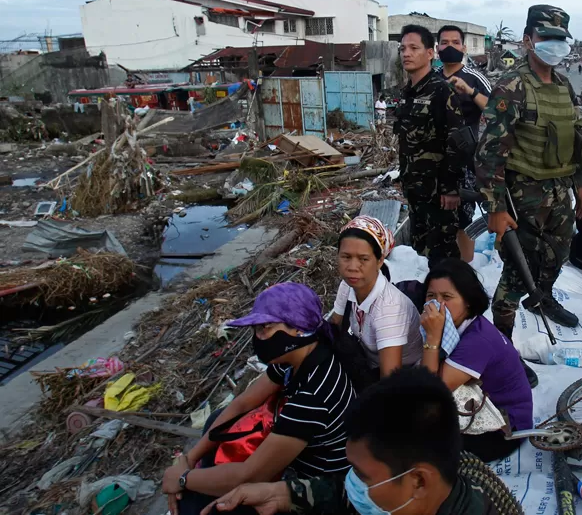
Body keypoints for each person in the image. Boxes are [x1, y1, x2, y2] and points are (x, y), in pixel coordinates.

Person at [203, 367, 521, 515]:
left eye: (362, 475)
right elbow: (346, 493)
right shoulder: (448, 469)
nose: (353, 482)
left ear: (419, 482)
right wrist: (282, 493)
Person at [163, 283, 355, 515]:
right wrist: (189, 459)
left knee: (203, 504)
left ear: (298, 329)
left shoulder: (313, 396)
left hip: (320, 491)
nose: (259, 337)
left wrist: (182, 479)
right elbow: (244, 402)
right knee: (218, 421)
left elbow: (250, 475)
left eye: (267, 328)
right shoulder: (295, 358)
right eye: (256, 329)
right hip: (296, 458)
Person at [477, 4, 582, 339]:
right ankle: (503, 344)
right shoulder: (511, 86)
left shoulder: (563, 84)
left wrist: (580, 186)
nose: (554, 44)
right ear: (528, 39)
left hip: (559, 192)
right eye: (546, 36)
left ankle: (541, 299)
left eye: (560, 38)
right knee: (517, 272)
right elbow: (488, 154)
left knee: (559, 253)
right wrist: (496, 210)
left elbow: (573, 140)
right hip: (523, 196)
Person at [419, 259, 534, 460]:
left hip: (503, 428)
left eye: (447, 297)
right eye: (431, 296)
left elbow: (431, 393)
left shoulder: (478, 340)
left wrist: (432, 337)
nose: (437, 305)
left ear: (468, 301)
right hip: (481, 403)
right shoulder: (461, 326)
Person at [395, 24, 465, 266]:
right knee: (421, 251)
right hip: (416, 190)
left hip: (439, 192)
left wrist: (451, 187)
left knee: (444, 255)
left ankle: (453, 300)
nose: (406, 53)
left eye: (414, 48)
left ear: (430, 53)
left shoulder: (441, 91)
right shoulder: (408, 93)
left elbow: (455, 141)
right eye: (403, 48)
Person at [330, 216, 423, 379]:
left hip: (403, 373)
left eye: (363, 259)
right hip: (368, 361)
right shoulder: (349, 284)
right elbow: (334, 326)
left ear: (380, 261)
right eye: (346, 257)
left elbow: (388, 381)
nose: (352, 267)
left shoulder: (390, 309)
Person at [435, 25, 493, 264]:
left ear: (464, 47)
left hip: (466, 161)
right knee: (439, 219)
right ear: (437, 48)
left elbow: (495, 109)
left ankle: (464, 270)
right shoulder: (433, 78)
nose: (450, 47)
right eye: (444, 43)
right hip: (436, 160)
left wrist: (470, 92)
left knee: (463, 220)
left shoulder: (474, 76)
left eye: (455, 43)